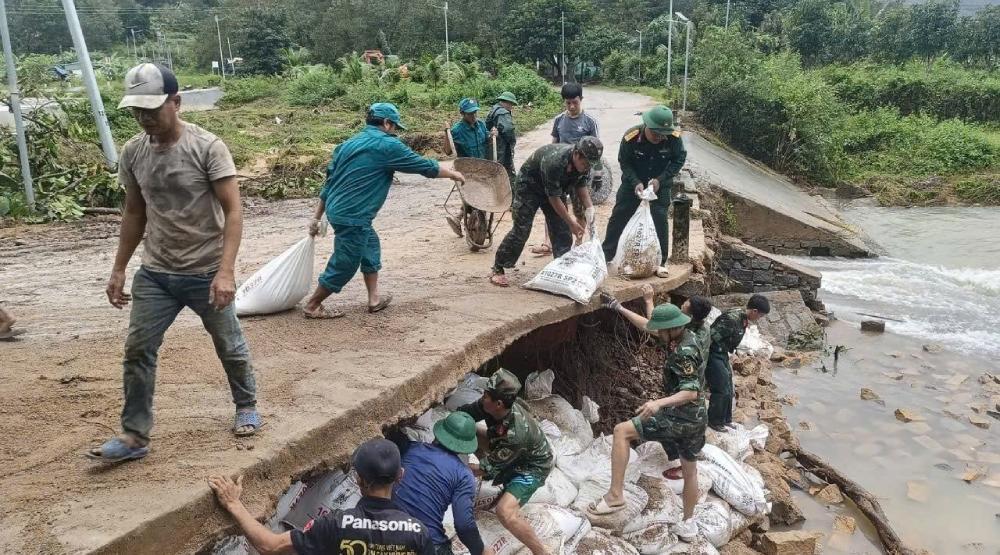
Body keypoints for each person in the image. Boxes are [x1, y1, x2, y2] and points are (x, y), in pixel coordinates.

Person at [88, 63, 260, 463]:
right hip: (157, 273)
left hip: (205, 270)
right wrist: (118, 268)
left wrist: (226, 270)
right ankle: (135, 435)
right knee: (138, 348)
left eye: (153, 108)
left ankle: (246, 404)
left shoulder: (207, 147)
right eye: (138, 110)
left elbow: (233, 211)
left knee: (229, 345)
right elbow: (134, 212)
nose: (145, 117)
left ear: (176, 102)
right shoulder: (133, 153)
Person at [303, 103, 465, 319]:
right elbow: (422, 165)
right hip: (353, 215)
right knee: (345, 262)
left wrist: (316, 217)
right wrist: (452, 173)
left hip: (340, 210)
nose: (395, 130)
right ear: (387, 123)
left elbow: (329, 183)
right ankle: (313, 305)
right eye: (394, 126)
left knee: (370, 246)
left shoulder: (347, 144)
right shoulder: (387, 145)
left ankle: (374, 299)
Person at [593, 296, 706, 541]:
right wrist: (618, 306)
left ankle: (615, 495)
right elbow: (647, 324)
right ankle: (688, 523)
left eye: (660, 330)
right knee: (690, 471)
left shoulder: (683, 353)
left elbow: (690, 391)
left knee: (622, 431)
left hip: (681, 416)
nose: (656, 333)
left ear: (671, 329)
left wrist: (657, 403)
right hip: (698, 419)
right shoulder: (686, 335)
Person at [209, 438, 435, 555]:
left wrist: (233, 503)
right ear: (400, 476)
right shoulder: (419, 533)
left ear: (359, 480)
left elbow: (269, 547)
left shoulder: (336, 524)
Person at [457, 370, 555, 555]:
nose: (482, 397)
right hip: (501, 445)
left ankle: (541, 552)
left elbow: (485, 468)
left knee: (505, 512)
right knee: (466, 430)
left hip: (531, 468)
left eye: (486, 395)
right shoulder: (488, 405)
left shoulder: (515, 434)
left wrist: (454, 471)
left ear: (499, 404)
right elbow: (463, 416)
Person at [489, 137, 603, 287]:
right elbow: (554, 199)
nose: (588, 167)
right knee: (521, 229)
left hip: (554, 188)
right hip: (529, 187)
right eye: (585, 163)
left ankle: (562, 266)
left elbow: (581, 186)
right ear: (576, 154)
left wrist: (590, 209)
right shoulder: (555, 161)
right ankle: (499, 267)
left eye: (590, 164)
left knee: (561, 229)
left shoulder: (584, 165)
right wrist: (572, 223)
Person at [602, 105, 687, 278]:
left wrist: (661, 179)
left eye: (662, 134)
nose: (659, 137)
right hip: (632, 184)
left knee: (660, 218)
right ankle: (606, 254)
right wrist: (635, 182)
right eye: (655, 133)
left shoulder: (674, 139)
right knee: (619, 215)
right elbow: (624, 162)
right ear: (647, 126)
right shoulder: (631, 137)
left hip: (659, 185)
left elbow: (679, 159)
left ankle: (661, 261)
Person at [393, 412, 491, 555]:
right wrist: (480, 550)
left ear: (439, 433)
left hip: (387, 534)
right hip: (427, 544)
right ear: (466, 446)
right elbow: (464, 525)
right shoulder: (464, 475)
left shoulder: (410, 449)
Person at [532, 83, 602, 257]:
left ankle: (578, 242)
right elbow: (553, 145)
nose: (571, 106)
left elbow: (596, 150)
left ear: (581, 100)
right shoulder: (559, 121)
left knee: (580, 209)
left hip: (580, 175)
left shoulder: (589, 122)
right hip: (560, 172)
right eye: (568, 103)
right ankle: (548, 242)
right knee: (555, 207)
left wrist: (598, 173)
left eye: (575, 102)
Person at [706, 294, 770, 432]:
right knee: (721, 388)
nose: (759, 319)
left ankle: (725, 419)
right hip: (713, 354)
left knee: (729, 386)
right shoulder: (731, 319)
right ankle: (714, 421)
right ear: (754, 311)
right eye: (760, 316)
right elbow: (710, 337)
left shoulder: (743, 320)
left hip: (722, 353)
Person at [445, 97, 492, 239]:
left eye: (475, 113)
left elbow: (487, 141)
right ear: (462, 113)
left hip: (483, 169)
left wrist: (492, 135)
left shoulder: (481, 126)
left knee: (484, 197)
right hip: (466, 172)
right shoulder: (457, 130)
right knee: (472, 197)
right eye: (470, 114)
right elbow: (447, 151)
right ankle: (462, 217)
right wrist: (446, 134)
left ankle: (459, 217)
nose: (473, 116)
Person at [485, 92, 518, 183]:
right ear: (507, 102)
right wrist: (512, 142)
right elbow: (508, 129)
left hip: (492, 145)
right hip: (500, 147)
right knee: (503, 170)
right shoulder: (502, 112)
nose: (511, 107)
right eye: (511, 104)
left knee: (494, 168)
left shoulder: (494, 109)